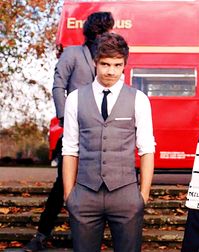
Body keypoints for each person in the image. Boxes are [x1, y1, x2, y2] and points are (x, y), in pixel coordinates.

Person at [24, 12, 114, 252]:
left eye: (107, 31)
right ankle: (41, 236)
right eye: (101, 32)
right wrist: (65, 118)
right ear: (91, 33)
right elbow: (58, 85)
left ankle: (94, 237)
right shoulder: (73, 54)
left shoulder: (109, 59)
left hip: (103, 134)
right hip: (75, 131)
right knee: (60, 185)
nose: (104, 36)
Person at [62, 32, 155, 252]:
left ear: (124, 65)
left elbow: (147, 148)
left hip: (126, 195)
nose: (110, 71)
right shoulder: (75, 98)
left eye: (117, 64)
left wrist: (142, 196)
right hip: (84, 195)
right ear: (95, 62)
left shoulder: (139, 99)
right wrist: (69, 196)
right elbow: (69, 149)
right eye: (105, 64)